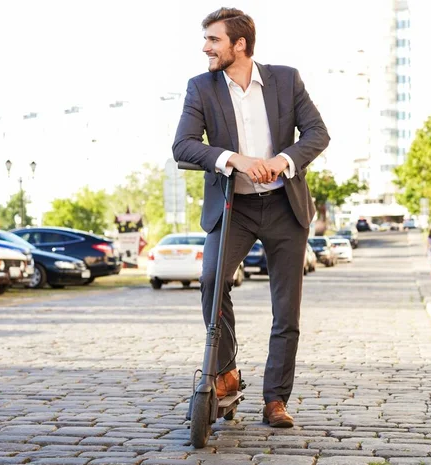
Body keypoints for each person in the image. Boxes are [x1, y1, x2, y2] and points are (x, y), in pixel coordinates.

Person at [172, 7, 330, 428]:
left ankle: (275, 400)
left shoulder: (286, 79)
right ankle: (224, 372)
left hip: (284, 206)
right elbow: (183, 146)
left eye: (213, 39)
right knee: (211, 279)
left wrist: (282, 161)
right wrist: (233, 159)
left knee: (286, 310)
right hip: (233, 207)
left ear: (239, 44)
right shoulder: (201, 88)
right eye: (206, 39)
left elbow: (317, 133)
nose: (205, 47)